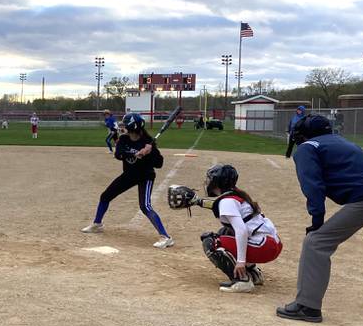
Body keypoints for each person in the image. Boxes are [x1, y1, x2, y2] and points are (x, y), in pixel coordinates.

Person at [276, 114, 363, 323]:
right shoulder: (342, 142)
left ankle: (307, 306)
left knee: (316, 243)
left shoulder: (307, 148)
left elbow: (313, 187)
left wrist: (316, 222)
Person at [81, 113, 174, 249]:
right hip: (129, 174)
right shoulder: (124, 139)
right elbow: (118, 154)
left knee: (145, 206)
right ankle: (97, 224)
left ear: (133, 127)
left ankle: (166, 237)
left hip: (145, 176)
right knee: (105, 196)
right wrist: (135, 153)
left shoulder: (148, 143)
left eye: (126, 125)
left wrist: (150, 152)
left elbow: (159, 164)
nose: (123, 127)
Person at [195, 165, 282, 293]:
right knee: (224, 232)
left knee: (211, 242)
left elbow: (242, 231)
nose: (208, 182)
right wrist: (197, 201)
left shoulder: (226, 201)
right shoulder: (235, 194)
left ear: (218, 181)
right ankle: (253, 273)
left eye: (210, 179)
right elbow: (217, 205)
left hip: (264, 246)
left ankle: (242, 280)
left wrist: (241, 261)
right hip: (271, 243)